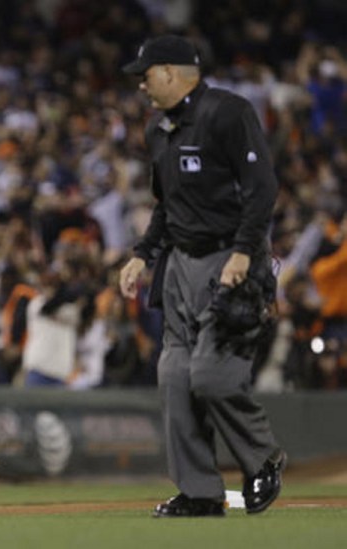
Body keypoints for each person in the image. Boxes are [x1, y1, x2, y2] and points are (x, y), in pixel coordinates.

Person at [118, 35, 286, 518]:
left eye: (146, 75)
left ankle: (262, 457)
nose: (142, 85)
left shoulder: (227, 112)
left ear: (171, 72)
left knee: (211, 376)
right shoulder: (159, 129)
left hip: (230, 261)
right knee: (173, 377)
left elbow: (262, 188)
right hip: (179, 264)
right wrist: (142, 255)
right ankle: (199, 492)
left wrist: (244, 250)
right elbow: (168, 206)